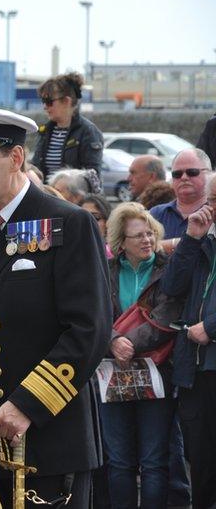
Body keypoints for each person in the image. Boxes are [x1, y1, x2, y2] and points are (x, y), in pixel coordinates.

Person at [0, 106, 112, 508]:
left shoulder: (66, 223)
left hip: (46, 440)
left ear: (15, 158)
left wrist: (26, 405)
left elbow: (89, 331)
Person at [102, 202, 182, 508]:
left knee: (154, 461)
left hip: (157, 372)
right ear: (122, 243)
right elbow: (95, 315)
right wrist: (111, 340)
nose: (147, 240)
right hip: (112, 373)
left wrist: (127, 342)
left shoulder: (167, 271)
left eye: (150, 233)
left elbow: (166, 317)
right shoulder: (105, 271)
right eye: (138, 236)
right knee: (119, 461)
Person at [159, 173, 216, 509]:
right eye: (211, 201)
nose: (212, 209)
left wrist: (210, 327)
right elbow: (172, 288)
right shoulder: (200, 240)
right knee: (201, 458)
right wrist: (192, 239)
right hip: (195, 369)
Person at [31, 72, 104, 180]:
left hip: (73, 196)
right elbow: (36, 167)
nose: (44, 107)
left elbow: (93, 177)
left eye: (49, 102)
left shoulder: (88, 132)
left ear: (66, 101)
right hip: (46, 195)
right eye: (43, 101)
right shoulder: (45, 131)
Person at [151, 148, 211, 254]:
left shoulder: (213, 213)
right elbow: (136, 249)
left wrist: (161, 245)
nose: (184, 177)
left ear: (209, 174)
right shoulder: (155, 214)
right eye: (177, 174)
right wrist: (176, 243)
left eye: (192, 172)